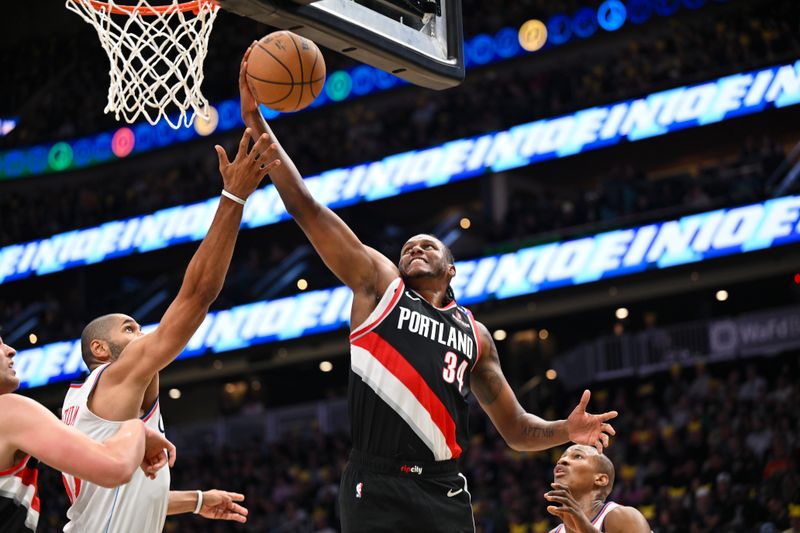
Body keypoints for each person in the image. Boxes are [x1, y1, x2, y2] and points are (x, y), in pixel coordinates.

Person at [239, 44, 618, 532]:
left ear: (451, 269)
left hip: (444, 487)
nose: (415, 248)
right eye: (408, 246)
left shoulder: (473, 334)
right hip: (375, 481)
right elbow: (308, 210)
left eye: (428, 245)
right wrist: (257, 123)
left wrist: (564, 430)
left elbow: (517, 429)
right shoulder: (380, 287)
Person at [60, 129, 280, 532]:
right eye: (130, 329)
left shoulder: (86, 405)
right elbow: (196, 296)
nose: (143, 335)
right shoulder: (116, 377)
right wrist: (234, 198)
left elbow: (122, 497)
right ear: (102, 350)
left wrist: (196, 501)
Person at [0, 335, 175, 533]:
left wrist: (198, 500)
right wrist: (136, 428)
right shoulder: (7, 409)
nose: (10, 350)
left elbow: (108, 500)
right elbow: (115, 467)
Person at [546, 444, 651, 532]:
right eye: (561, 457)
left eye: (578, 456)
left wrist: (585, 528)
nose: (561, 460)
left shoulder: (623, 516)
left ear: (600, 479)